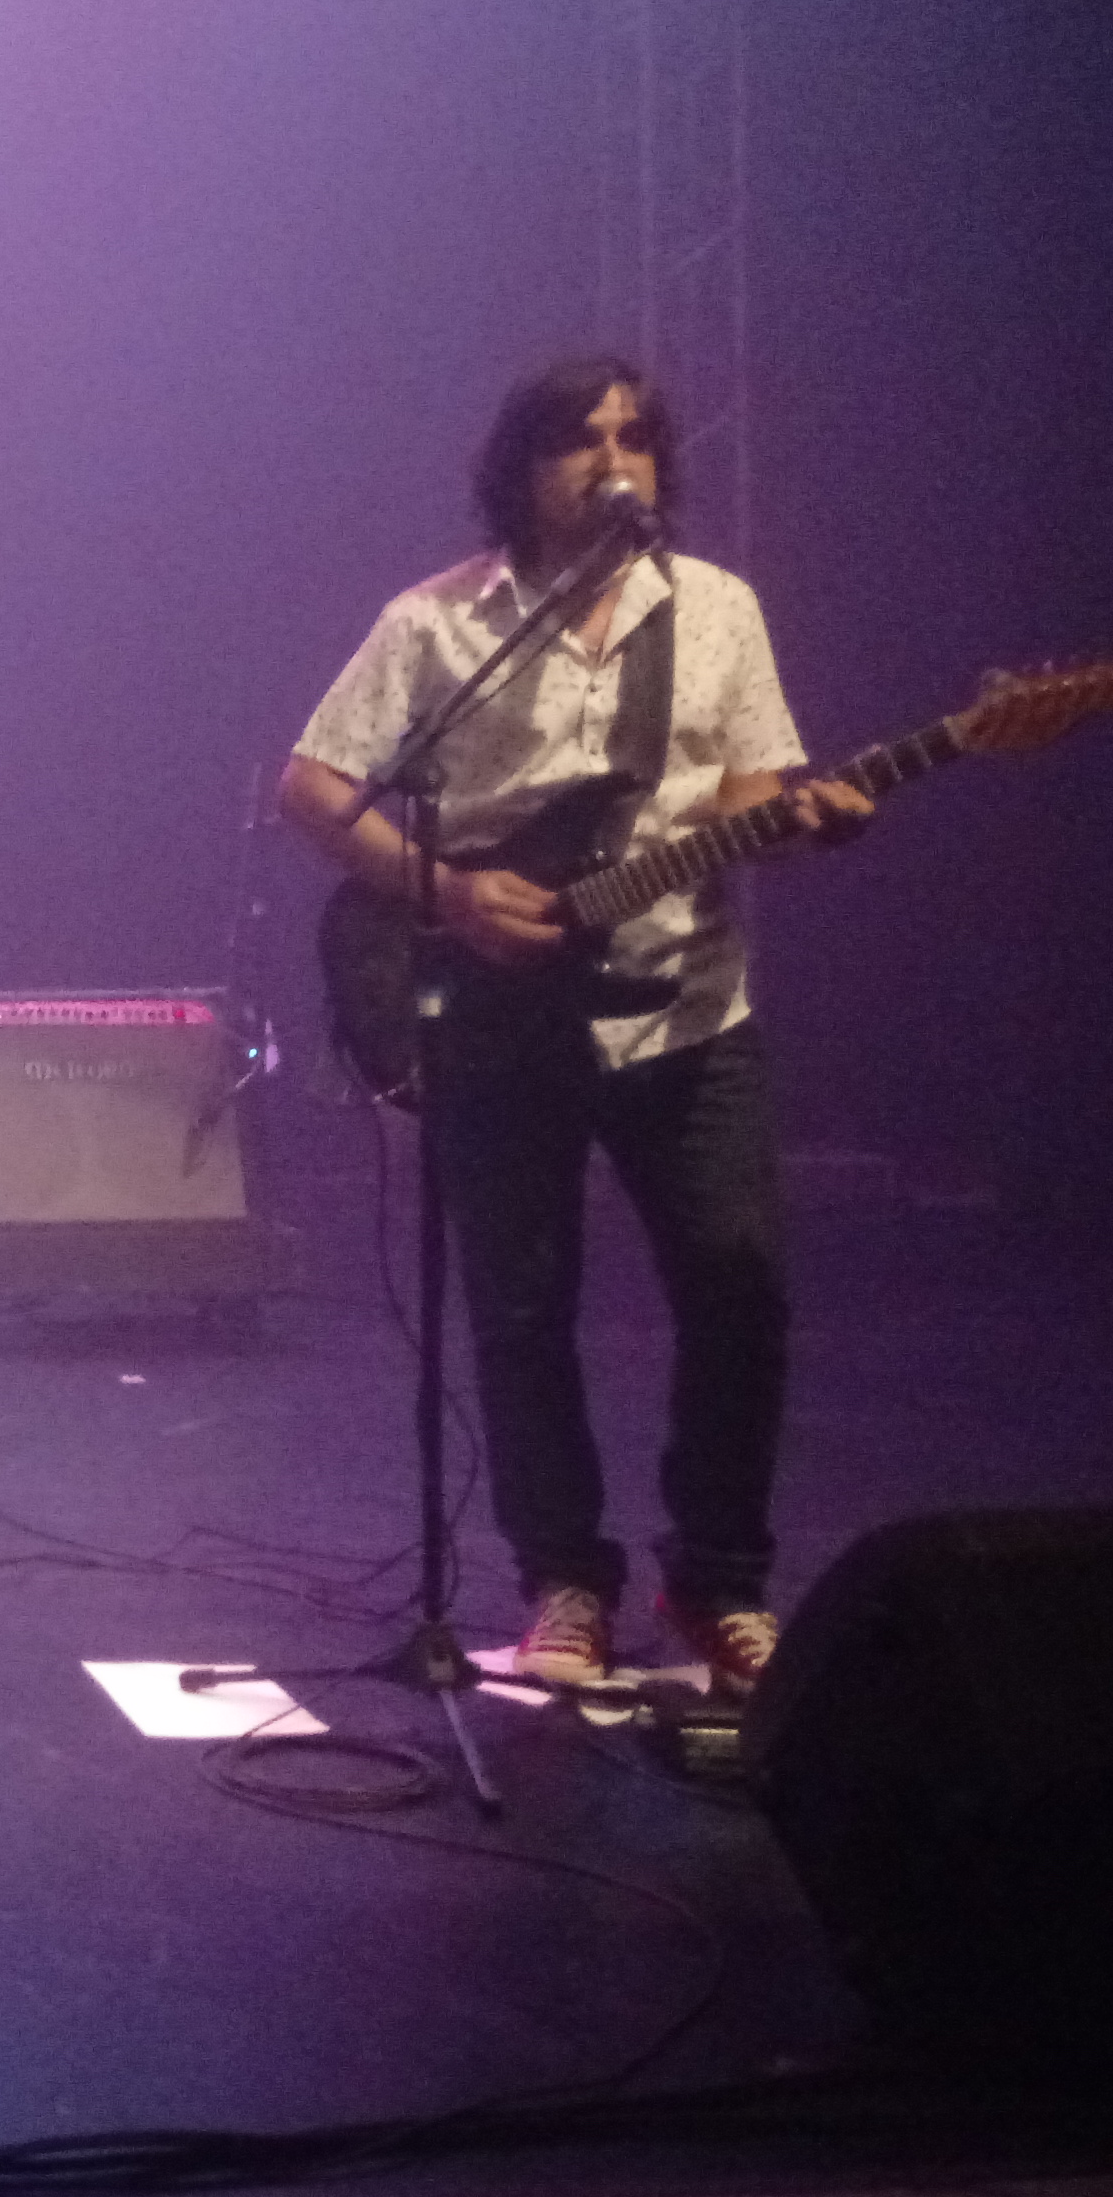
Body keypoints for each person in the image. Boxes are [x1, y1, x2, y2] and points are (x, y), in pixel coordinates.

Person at [279, 357, 872, 1700]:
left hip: (685, 1007)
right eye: (581, 440)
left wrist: (803, 819)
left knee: (737, 1286)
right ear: (522, 469)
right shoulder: (438, 623)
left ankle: (717, 1582)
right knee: (521, 1303)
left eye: (635, 438)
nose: (614, 461)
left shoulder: (716, 611)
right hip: (499, 1014)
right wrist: (447, 892)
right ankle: (563, 1580)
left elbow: (754, 792)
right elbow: (313, 790)